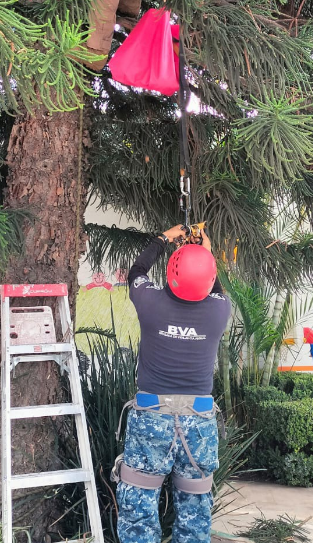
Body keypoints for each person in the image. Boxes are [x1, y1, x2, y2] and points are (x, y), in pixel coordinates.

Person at [114, 224, 232, 543]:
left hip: (151, 417)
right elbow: (215, 286)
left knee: (138, 506)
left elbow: (137, 270)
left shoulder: (150, 303)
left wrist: (163, 239)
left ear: (171, 274)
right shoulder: (219, 311)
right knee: (195, 507)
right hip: (199, 423)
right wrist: (204, 251)